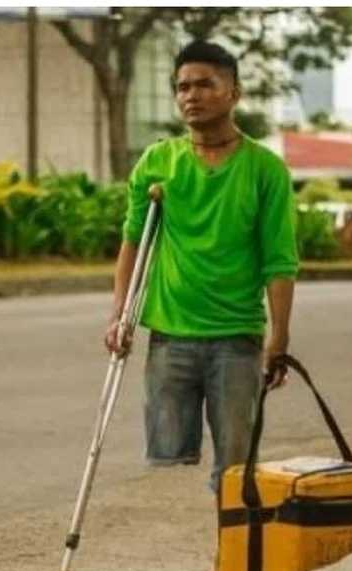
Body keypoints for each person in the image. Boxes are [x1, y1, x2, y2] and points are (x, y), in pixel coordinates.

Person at [104, 40, 299, 492]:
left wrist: (280, 337)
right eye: (182, 87)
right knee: (168, 452)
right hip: (170, 336)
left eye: (205, 85)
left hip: (236, 337)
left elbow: (279, 260)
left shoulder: (265, 170)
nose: (191, 95)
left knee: (234, 474)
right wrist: (119, 314)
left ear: (234, 92)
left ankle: (230, 558)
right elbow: (134, 242)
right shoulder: (157, 163)